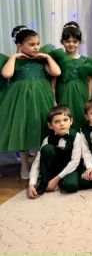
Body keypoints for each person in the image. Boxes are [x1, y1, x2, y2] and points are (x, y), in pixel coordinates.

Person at [0, 26, 61, 179]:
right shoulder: (15, 61)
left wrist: (47, 57)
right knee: (23, 130)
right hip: (21, 100)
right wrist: (14, 57)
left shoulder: (41, 60)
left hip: (41, 98)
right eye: (32, 44)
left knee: (40, 128)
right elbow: (6, 74)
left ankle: (38, 164)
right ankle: (24, 165)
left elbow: (57, 72)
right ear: (20, 46)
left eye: (38, 44)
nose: (36, 47)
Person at [52, 22, 92, 131]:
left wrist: (89, 98)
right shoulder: (59, 59)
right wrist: (54, 99)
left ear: (80, 42)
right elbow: (54, 81)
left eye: (75, 41)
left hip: (81, 93)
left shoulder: (85, 60)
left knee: (81, 116)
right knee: (64, 116)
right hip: (64, 92)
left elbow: (89, 80)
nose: (71, 44)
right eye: (68, 41)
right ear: (62, 42)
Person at [28, 105, 81, 198]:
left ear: (71, 121)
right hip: (55, 167)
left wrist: (56, 179)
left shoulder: (76, 136)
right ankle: (45, 182)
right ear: (50, 125)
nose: (62, 124)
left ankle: (58, 181)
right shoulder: (47, 139)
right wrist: (31, 184)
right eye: (57, 121)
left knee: (71, 186)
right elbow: (37, 163)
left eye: (65, 120)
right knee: (46, 149)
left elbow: (75, 161)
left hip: (71, 168)